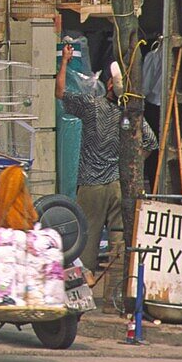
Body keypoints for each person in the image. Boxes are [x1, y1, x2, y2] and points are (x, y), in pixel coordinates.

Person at [56, 45, 158, 277]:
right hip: (117, 185)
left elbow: (60, 92)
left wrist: (64, 62)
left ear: (109, 85)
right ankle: (116, 296)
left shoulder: (92, 106)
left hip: (91, 188)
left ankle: (86, 291)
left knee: (87, 243)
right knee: (119, 246)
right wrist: (131, 164)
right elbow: (152, 143)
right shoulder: (131, 115)